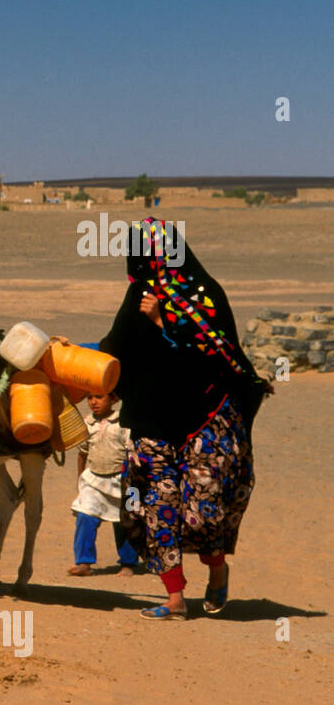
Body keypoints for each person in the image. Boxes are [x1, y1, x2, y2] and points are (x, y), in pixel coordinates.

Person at [100, 218, 271, 620]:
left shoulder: (205, 294)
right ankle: (174, 598)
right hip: (150, 420)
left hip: (204, 418)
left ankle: (216, 570)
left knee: (204, 510)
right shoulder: (137, 294)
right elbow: (117, 348)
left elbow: (218, 356)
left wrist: (165, 323)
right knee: (157, 507)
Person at [67, 391, 140, 577]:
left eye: (99, 397)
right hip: (93, 479)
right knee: (85, 516)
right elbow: (82, 454)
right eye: (90, 397)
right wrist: (80, 481)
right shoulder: (86, 423)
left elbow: (132, 453)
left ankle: (128, 563)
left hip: (122, 480)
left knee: (126, 521)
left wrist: (135, 484)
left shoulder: (123, 423)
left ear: (114, 399)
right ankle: (83, 562)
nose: (93, 402)